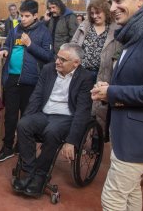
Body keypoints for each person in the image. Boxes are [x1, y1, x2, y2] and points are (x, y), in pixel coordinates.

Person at [91, 0, 143, 210]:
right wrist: (110, 88)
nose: (112, 8)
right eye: (111, 2)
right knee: (131, 192)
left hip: (139, 136)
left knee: (112, 198)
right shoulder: (135, 32)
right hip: (128, 133)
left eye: (119, 0)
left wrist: (112, 92)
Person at [13, 43, 93, 197]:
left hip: (66, 117)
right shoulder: (48, 69)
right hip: (45, 112)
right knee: (23, 124)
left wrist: (72, 141)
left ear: (76, 63)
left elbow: (83, 112)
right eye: (58, 57)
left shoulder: (85, 78)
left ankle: (41, 175)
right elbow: (36, 97)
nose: (57, 61)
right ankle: (30, 172)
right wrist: (27, 116)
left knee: (52, 131)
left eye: (63, 60)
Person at [0, 0, 54, 162]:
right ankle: (7, 148)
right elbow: (6, 44)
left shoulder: (44, 32)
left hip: (31, 81)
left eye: (27, 16)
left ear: (35, 15)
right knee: (10, 116)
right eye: (21, 15)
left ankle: (22, 146)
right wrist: (5, 50)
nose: (23, 19)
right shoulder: (15, 29)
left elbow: (49, 57)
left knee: (26, 117)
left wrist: (30, 44)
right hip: (12, 78)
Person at [71, 0, 122, 136]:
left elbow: (119, 51)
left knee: (99, 110)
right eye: (92, 13)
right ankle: (78, 137)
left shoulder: (115, 29)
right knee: (81, 106)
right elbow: (74, 45)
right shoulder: (85, 25)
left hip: (103, 74)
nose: (95, 16)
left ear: (106, 12)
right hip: (83, 73)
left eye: (98, 13)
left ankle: (96, 141)